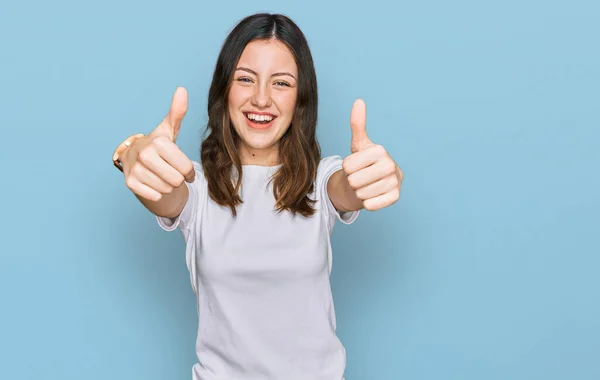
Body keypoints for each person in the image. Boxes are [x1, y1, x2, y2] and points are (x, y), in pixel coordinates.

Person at [112, 12, 404, 380]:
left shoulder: (321, 181)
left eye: (281, 83)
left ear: (301, 97)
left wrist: (378, 174)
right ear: (225, 90)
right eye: (245, 79)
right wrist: (133, 152)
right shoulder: (195, 189)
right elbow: (157, 187)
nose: (261, 99)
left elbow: (348, 184)